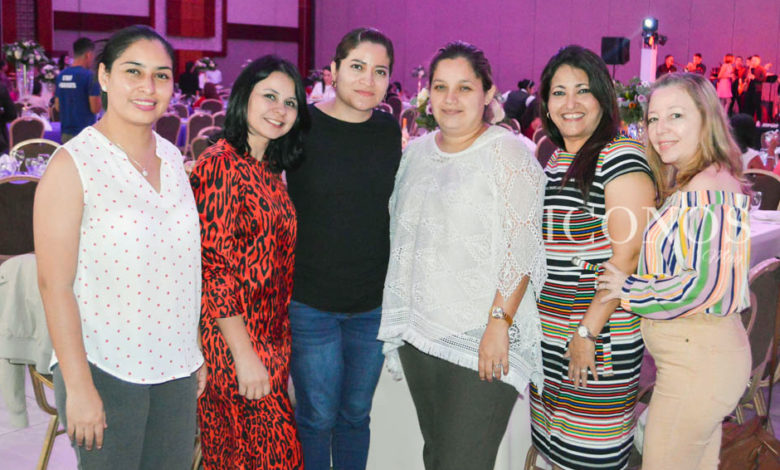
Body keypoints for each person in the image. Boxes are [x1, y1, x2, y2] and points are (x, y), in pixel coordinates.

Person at [34, 25, 204, 469]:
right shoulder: (73, 165)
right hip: (104, 365)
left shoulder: (172, 158)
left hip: (175, 365)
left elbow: (184, 267)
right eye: (133, 71)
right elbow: (55, 286)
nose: (148, 87)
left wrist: (195, 351)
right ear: (104, 77)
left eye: (161, 75)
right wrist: (79, 386)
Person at [378, 40, 546, 470]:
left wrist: (499, 323)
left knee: (462, 460)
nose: (450, 99)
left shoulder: (509, 153)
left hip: (482, 334)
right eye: (441, 87)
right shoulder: (416, 153)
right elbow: (402, 236)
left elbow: (522, 245)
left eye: (464, 88)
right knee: (438, 453)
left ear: (487, 94)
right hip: (421, 333)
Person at [599, 72, 752, 470]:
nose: (660, 129)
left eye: (676, 116)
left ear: (706, 118)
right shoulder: (701, 181)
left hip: (698, 363)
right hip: (698, 360)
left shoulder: (707, 187)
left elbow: (704, 285)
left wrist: (627, 289)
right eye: (653, 118)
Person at [528, 45, 657, 470]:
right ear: (546, 103)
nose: (570, 103)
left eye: (582, 90)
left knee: (590, 455)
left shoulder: (620, 156)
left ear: (602, 96)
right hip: (554, 335)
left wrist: (586, 333)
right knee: (556, 452)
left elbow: (628, 256)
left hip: (596, 336)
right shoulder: (559, 156)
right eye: (559, 92)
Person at [285, 27, 401, 470]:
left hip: (371, 304)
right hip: (310, 302)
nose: (368, 80)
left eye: (379, 71)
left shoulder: (387, 131)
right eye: (357, 67)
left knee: (355, 416)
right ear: (332, 71)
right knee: (316, 417)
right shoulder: (300, 125)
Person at [190, 55, 310, 469]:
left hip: (269, 338)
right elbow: (214, 270)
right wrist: (244, 355)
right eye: (269, 96)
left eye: (290, 102)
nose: (281, 109)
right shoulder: (220, 165)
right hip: (234, 341)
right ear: (244, 98)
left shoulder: (266, 168)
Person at [54, 37, 102, 143]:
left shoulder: (61, 75)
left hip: (65, 133)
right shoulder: (90, 76)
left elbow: (57, 106)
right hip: (85, 134)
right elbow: (95, 109)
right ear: (88, 55)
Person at [743, 55, 767, 121]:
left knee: (757, 105)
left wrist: (755, 78)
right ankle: (749, 120)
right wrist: (746, 79)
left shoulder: (761, 69)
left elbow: (764, 79)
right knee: (748, 105)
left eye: (755, 60)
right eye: (752, 60)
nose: (753, 61)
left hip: (756, 90)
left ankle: (759, 120)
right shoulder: (749, 69)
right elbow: (744, 77)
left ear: (759, 61)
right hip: (748, 90)